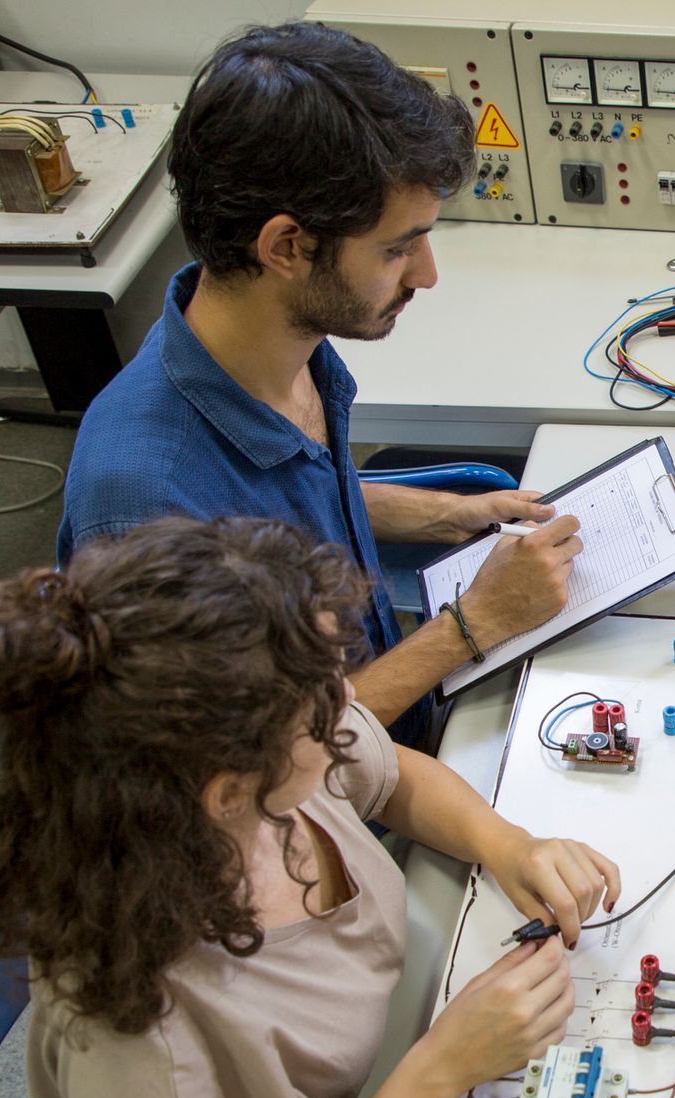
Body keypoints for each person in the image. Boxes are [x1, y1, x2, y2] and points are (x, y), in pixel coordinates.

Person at [0, 517, 622, 1098]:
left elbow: (394, 776)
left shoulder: (273, 781)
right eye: (317, 697)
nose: (346, 698)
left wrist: (508, 844)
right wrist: (441, 1068)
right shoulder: (133, 1024)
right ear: (228, 791)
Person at [58, 23, 579, 746]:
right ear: (286, 246)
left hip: (389, 722)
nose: (426, 274)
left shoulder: (279, 353)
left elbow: (284, 502)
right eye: (398, 248)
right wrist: (473, 624)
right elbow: (263, 758)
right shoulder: (143, 502)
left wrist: (445, 517)